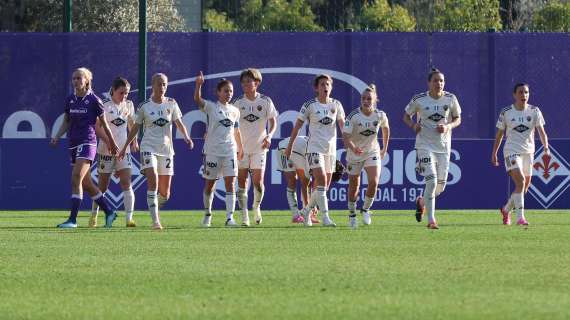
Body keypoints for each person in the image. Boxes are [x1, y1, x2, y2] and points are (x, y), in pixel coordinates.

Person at [119, 73, 194, 230]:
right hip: (148, 147)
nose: (162, 87)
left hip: (166, 150)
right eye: (159, 84)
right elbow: (135, 127)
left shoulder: (172, 103)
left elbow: (179, 123)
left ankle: (153, 207)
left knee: (165, 194)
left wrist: (187, 137)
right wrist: (127, 145)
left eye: (164, 84)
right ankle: (155, 221)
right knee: (152, 179)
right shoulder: (144, 106)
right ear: (152, 86)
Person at [51, 67, 119, 228]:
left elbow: (104, 125)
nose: (76, 81)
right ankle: (109, 211)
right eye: (74, 78)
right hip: (73, 143)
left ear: (87, 80)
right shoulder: (70, 99)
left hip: (88, 142)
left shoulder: (95, 100)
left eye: (79, 78)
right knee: (87, 183)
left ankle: (72, 220)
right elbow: (67, 121)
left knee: (76, 178)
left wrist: (112, 142)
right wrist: (57, 136)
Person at [403, 68, 461, 230]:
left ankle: (421, 202)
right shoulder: (419, 99)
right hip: (424, 145)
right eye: (435, 80)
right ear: (429, 83)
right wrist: (413, 124)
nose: (439, 83)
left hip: (443, 147)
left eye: (441, 81)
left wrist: (448, 126)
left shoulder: (451, 99)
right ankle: (432, 220)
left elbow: (458, 118)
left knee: (440, 187)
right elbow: (406, 116)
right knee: (432, 180)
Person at [286, 74, 345, 227]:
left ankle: (306, 211)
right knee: (321, 180)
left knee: (322, 187)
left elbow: (343, 126)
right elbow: (297, 126)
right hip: (313, 149)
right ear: (316, 88)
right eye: (322, 84)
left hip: (330, 151)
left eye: (328, 84)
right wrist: (290, 145)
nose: (325, 87)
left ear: (331, 87)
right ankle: (326, 217)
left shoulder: (336, 105)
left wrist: (350, 144)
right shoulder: (310, 105)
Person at [491, 83, 549, 226]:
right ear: (514, 95)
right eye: (521, 92)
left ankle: (505, 210)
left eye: (526, 92)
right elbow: (499, 135)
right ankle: (520, 218)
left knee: (524, 187)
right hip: (511, 151)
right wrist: (494, 153)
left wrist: (546, 147)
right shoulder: (506, 112)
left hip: (528, 152)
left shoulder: (534, 111)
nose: (524, 95)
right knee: (521, 181)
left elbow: (541, 132)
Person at [194, 71, 244, 227]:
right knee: (210, 185)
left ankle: (230, 218)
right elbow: (197, 99)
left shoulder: (235, 111)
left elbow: (236, 131)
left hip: (230, 151)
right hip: (213, 152)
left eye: (231, 91)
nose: (228, 94)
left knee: (231, 184)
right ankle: (208, 215)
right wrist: (198, 85)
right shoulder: (211, 107)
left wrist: (240, 147)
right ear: (218, 92)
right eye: (226, 91)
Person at [90, 77, 138, 228]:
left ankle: (129, 219)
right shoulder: (104, 105)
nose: (124, 96)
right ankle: (94, 216)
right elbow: (97, 127)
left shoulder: (129, 105)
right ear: (113, 90)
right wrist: (109, 141)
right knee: (102, 187)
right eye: (121, 92)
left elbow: (132, 123)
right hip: (106, 150)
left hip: (124, 150)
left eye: (127, 93)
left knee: (126, 183)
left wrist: (134, 141)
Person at [233, 68, 278, 226]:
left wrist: (269, 135)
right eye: (243, 82)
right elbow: (231, 124)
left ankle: (256, 207)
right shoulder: (238, 103)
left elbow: (273, 121)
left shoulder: (265, 101)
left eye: (248, 81)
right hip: (242, 149)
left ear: (256, 83)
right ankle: (244, 216)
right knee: (242, 182)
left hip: (259, 147)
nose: (245, 84)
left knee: (258, 183)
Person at [342, 84, 390, 228]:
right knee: (354, 186)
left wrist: (384, 149)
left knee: (374, 181)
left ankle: (366, 209)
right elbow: (345, 135)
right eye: (363, 98)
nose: (366, 101)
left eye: (369, 99)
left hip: (372, 151)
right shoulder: (354, 116)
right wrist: (353, 147)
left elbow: (386, 129)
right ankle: (352, 214)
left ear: (375, 100)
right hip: (355, 153)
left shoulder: (380, 115)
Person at [277, 136, 319, 224]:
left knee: (306, 181)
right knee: (293, 180)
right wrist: (310, 207)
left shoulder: (315, 154)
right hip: (284, 150)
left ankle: (306, 213)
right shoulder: (311, 156)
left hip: (297, 152)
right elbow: (305, 186)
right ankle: (296, 215)